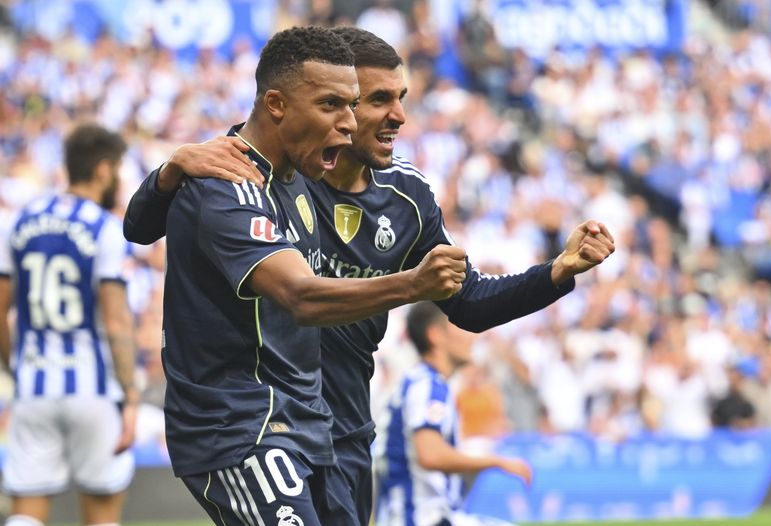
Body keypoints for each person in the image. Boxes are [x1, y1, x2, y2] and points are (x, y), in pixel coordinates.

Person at [123, 27, 615, 525]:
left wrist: (554, 273)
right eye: (375, 100)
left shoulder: (402, 197)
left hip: (341, 428)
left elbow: (468, 302)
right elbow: (155, 227)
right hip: (253, 423)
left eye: (396, 99)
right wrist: (169, 170)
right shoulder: (262, 171)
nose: (397, 116)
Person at [126, 26, 467, 526]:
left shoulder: (299, 179)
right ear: (277, 104)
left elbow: (141, 223)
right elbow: (300, 296)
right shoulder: (229, 182)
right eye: (332, 105)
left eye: (352, 105)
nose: (351, 123)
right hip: (240, 427)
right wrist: (413, 285)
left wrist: (167, 172)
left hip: (307, 424)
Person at [0, 124, 138, 526]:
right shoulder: (104, 228)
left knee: (26, 512)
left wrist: (13, 364)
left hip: (34, 387)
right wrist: (130, 394)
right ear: (101, 170)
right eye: (118, 170)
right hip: (93, 391)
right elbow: (115, 321)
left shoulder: (19, 222)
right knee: (101, 514)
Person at [375, 302, 532, 526]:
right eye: (460, 325)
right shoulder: (428, 385)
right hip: (416, 519)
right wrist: (496, 462)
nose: (472, 335)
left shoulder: (426, 382)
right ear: (436, 335)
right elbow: (430, 454)